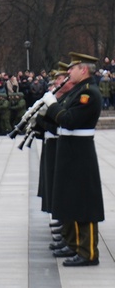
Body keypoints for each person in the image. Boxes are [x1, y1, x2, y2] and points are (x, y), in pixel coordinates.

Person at [42, 52, 104, 267]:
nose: (68, 72)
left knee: (83, 202)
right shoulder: (78, 91)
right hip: (72, 150)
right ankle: (77, 245)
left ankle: (88, 252)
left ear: (83, 70)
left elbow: (69, 120)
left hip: (80, 152)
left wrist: (52, 106)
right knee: (72, 199)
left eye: (73, 68)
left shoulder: (88, 93)